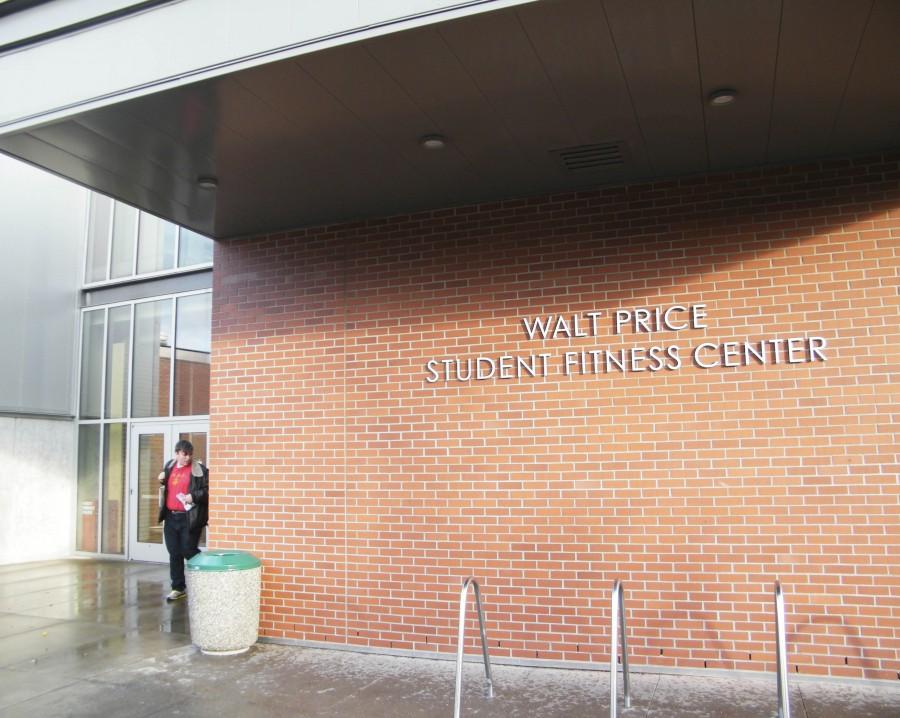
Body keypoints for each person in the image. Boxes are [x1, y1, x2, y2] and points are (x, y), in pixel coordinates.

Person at [157, 440, 209, 602]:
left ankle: (205, 579)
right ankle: (178, 588)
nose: (187, 458)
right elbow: (168, 486)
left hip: (189, 517)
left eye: (190, 454)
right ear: (177, 453)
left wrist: (193, 496)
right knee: (174, 552)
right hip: (171, 517)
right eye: (184, 454)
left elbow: (209, 490)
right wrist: (161, 479)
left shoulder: (199, 470)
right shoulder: (170, 466)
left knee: (188, 550)